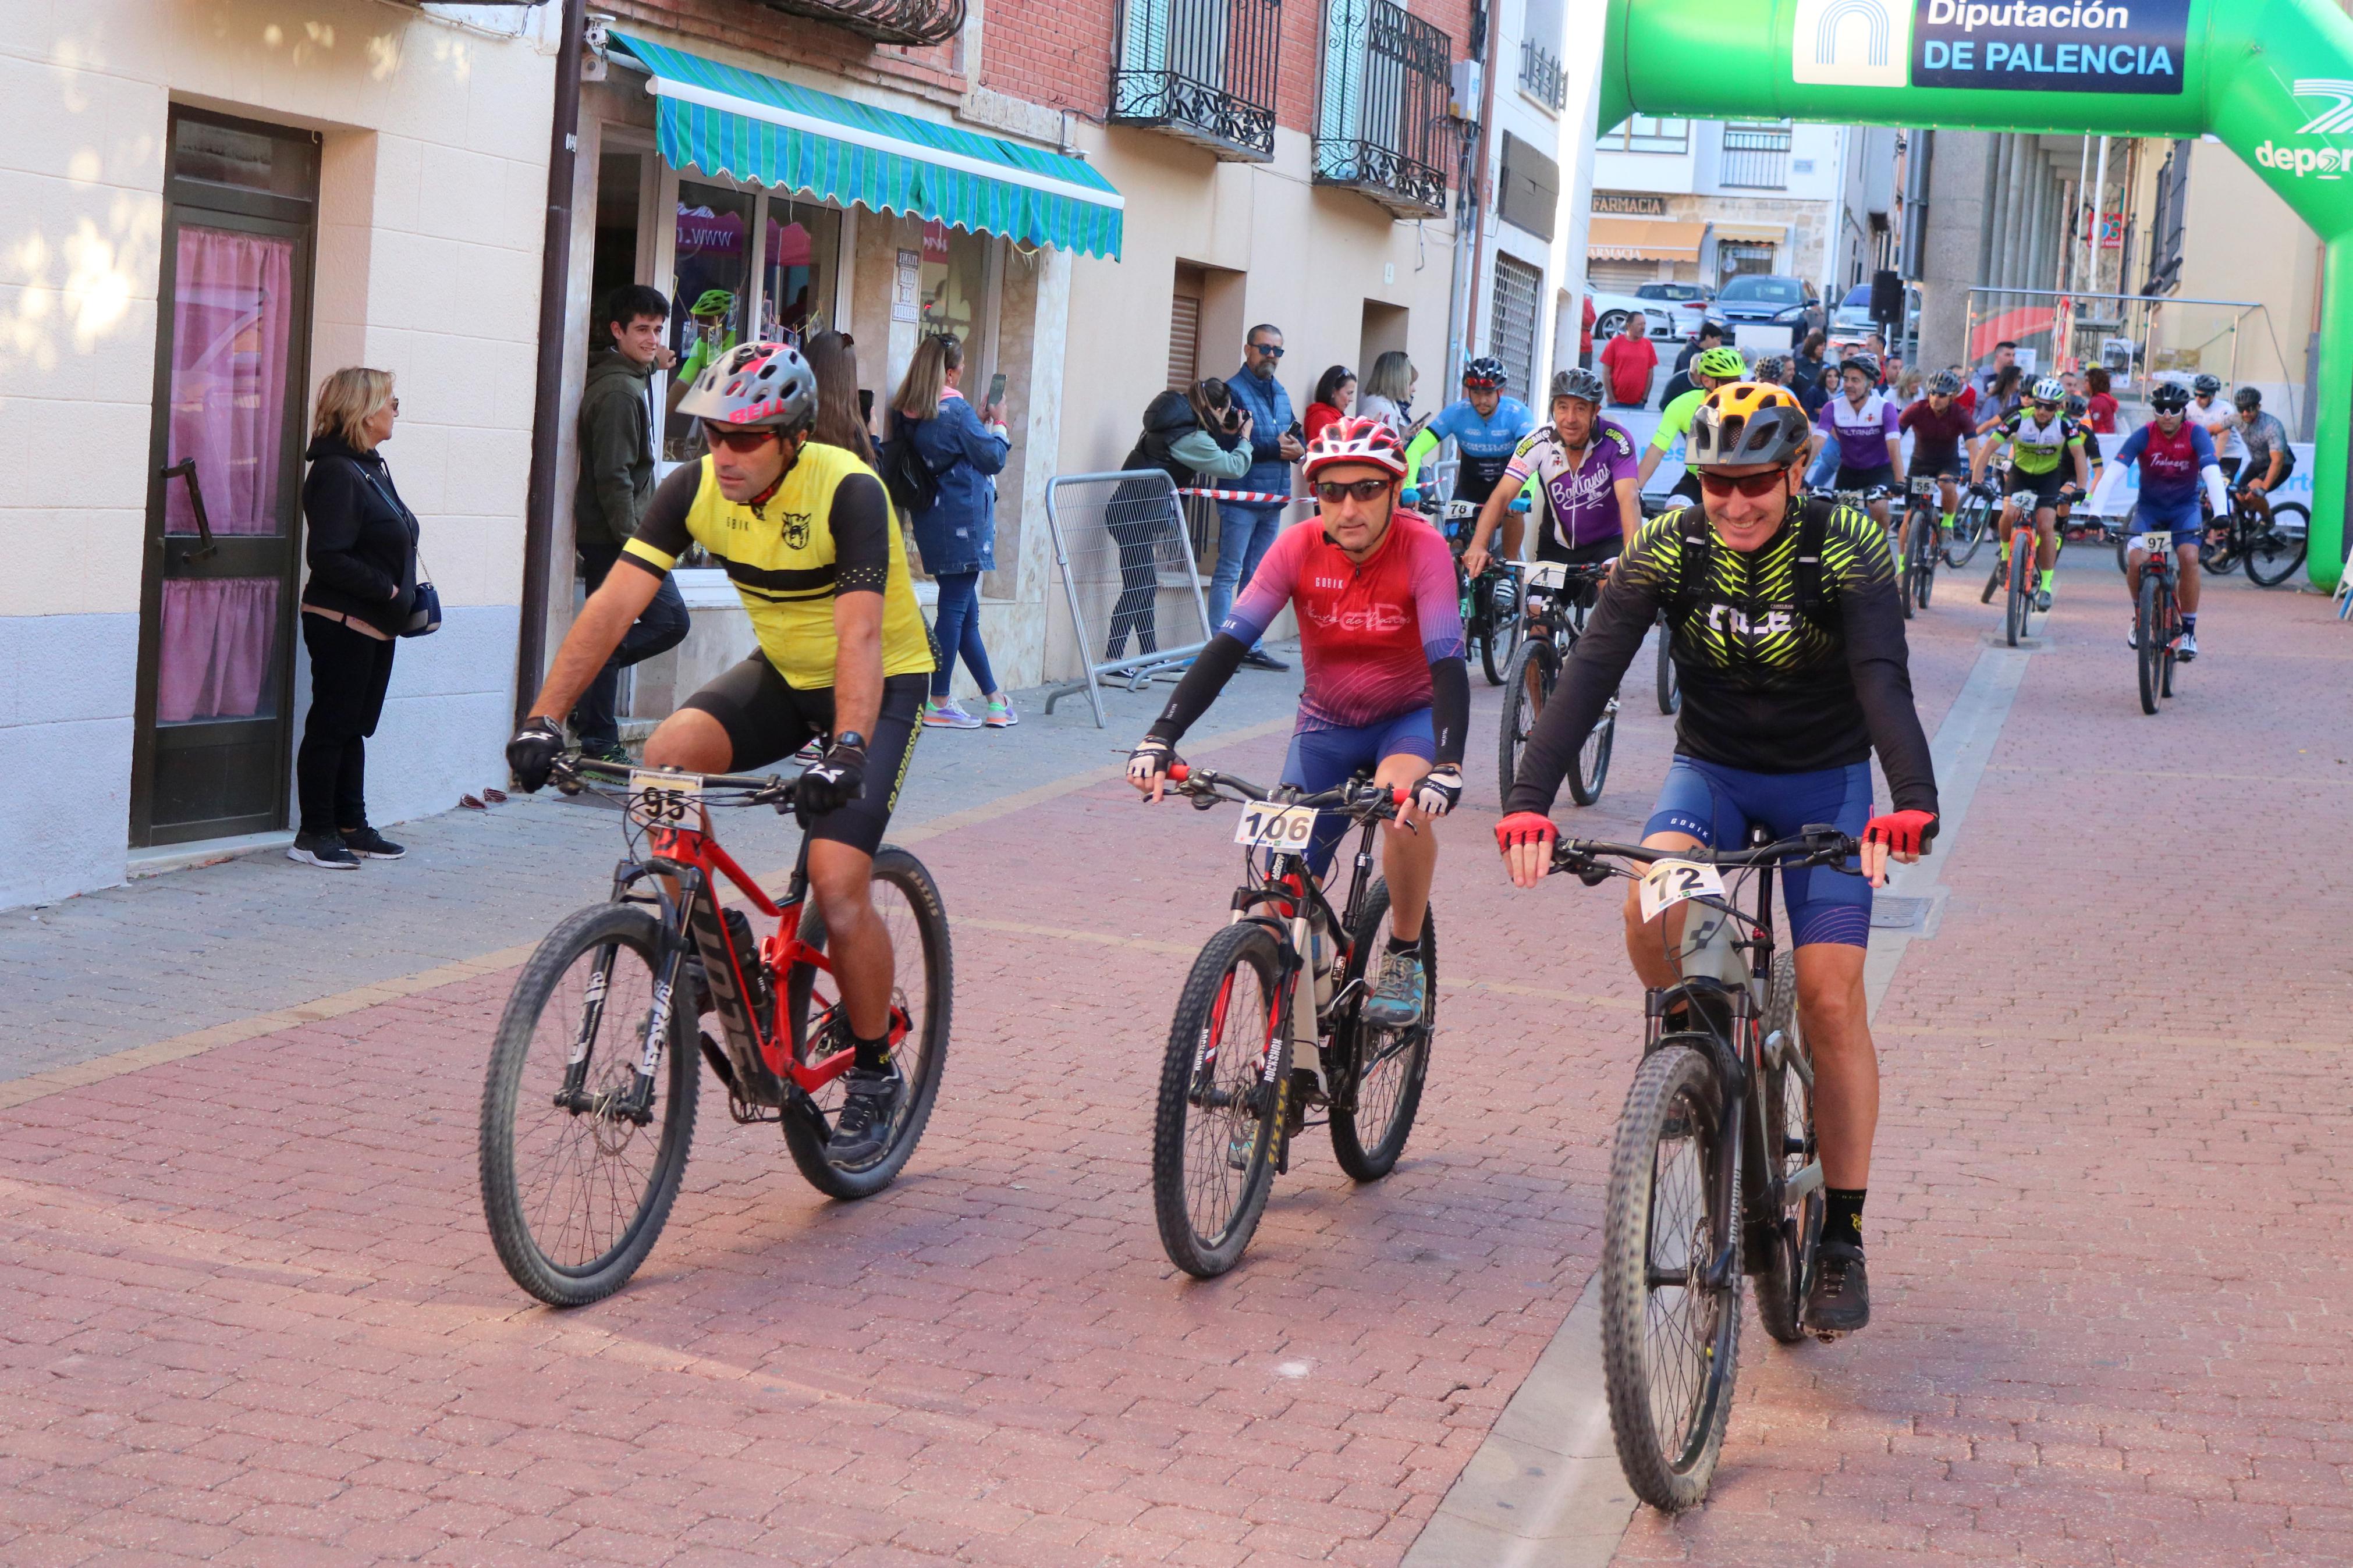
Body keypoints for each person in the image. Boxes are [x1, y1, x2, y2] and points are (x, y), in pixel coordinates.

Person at [1495, 381, 1940, 1338]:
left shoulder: (1847, 544)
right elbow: (1591, 669)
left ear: (1793, 473)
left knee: (1827, 997)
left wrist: (1912, 805)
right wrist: (1527, 804)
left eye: (1754, 485)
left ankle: (1841, 1239)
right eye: (1714, 485)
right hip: (1711, 778)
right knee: (1646, 910)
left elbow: (1881, 681)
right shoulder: (1669, 545)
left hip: (1824, 786)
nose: (1734, 505)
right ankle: (1698, 1054)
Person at [504, 343, 935, 1165]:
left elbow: (860, 633)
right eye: (712, 436)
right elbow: (612, 607)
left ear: (793, 437)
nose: (723, 455)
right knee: (664, 757)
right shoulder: (693, 489)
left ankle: (877, 1071)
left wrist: (845, 748)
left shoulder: (846, 488)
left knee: (840, 882)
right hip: (782, 673)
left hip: (877, 683)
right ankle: (712, 946)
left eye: (745, 438)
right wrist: (543, 718)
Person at [1126, 415, 1468, 1036]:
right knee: (1279, 894)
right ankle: (1282, 1052)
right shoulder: (1296, 546)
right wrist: (1160, 735)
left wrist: (1446, 766)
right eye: (1331, 491)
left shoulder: (1424, 548)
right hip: (1325, 725)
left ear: (1395, 490)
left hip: (1407, 719)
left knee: (1402, 811)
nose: (1348, 505)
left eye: (1366, 489)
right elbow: (1228, 646)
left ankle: (1403, 952)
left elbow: (1446, 661)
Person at [292, 368, 419, 870]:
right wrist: (386, 588)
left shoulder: (369, 467)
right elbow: (326, 556)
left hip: (376, 621)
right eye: (390, 400)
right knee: (332, 725)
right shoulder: (336, 472)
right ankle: (313, 833)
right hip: (341, 619)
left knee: (354, 728)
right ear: (363, 411)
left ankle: (352, 826)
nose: (395, 409)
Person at [573, 285, 693, 763]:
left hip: (615, 538)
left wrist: (659, 362)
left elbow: (647, 363)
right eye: (641, 329)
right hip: (617, 540)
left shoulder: (629, 375)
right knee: (669, 621)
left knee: (610, 633)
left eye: (658, 329)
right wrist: (635, 544)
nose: (652, 339)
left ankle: (594, 719)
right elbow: (614, 477)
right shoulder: (620, 392)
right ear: (616, 331)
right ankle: (598, 736)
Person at [890, 334, 1016, 730]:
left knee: (965, 615)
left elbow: (946, 448)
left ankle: (995, 701)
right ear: (949, 371)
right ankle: (939, 699)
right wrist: (998, 422)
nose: (962, 376)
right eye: (960, 370)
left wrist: (977, 424)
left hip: (932, 519)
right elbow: (993, 458)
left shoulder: (909, 410)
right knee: (954, 610)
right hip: (963, 520)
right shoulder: (956, 411)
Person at [1104, 379, 1250, 660]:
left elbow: (1201, 449)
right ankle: (1112, 660)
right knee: (1141, 586)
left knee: (1144, 586)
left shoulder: (1173, 425)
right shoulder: (1192, 437)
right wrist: (1244, 438)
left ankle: (1150, 656)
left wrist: (1221, 431)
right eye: (1225, 412)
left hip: (1131, 512)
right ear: (1218, 409)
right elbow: (1234, 466)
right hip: (1139, 517)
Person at [1462, 367, 1641, 591]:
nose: (1570, 419)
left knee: (1614, 589)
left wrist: (1630, 557)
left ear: (1596, 411)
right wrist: (1478, 545)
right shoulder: (1538, 442)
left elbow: (1629, 499)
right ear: (1553, 409)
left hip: (1607, 544)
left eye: (1581, 409)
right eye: (1562, 408)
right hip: (1556, 547)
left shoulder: (1617, 441)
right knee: (1538, 617)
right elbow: (1501, 496)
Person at [1210, 325, 1308, 672]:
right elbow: (1223, 444)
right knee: (1228, 574)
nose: (1271, 356)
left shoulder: (1280, 392)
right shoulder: (1230, 391)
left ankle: (1250, 644)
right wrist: (1275, 449)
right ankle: (1220, 649)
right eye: (1264, 348)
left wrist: (1300, 449)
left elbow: (1297, 434)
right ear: (1247, 349)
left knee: (1258, 578)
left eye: (1277, 351)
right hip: (1240, 496)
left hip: (1273, 497)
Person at [2116, 382, 2228, 661]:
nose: (2168, 414)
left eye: (2175, 409)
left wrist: (2221, 512)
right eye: (2161, 408)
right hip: (2150, 511)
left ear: (2184, 410)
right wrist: (2093, 513)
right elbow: (2114, 472)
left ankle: (2188, 630)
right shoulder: (2144, 435)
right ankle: (2139, 616)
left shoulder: (2197, 434)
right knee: (2136, 559)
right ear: (2153, 410)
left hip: (2183, 510)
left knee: (2189, 557)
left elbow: (2212, 472)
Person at [1971, 376, 2092, 613]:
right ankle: (2006, 558)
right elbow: (1988, 449)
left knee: (2047, 526)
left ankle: (2046, 586)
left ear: (2058, 407)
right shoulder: (2018, 418)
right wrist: (1976, 480)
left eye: (2048, 407)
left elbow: (2079, 456)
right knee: (2008, 514)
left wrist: (2081, 488)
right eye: (2038, 404)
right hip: (2021, 474)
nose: (2042, 411)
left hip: (2048, 478)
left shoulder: (2065, 425)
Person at [1403, 355, 1535, 528]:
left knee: (1514, 516)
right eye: (1476, 393)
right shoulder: (1456, 413)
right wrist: (1408, 487)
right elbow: (1415, 448)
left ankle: (1511, 556)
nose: (1482, 401)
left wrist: (1526, 494)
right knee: (1452, 541)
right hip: (1470, 485)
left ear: (1500, 392)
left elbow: (1531, 455)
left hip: (1507, 482)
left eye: (1488, 394)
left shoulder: (1518, 414)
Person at [1638, 345, 1749, 508]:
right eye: (1727, 382)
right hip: (1697, 480)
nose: (1734, 387)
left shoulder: (1749, 404)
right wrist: (1635, 490)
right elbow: (1656, 452)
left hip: (1738, 481)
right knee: (1674, 514)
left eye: (1737, 380)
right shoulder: (1682, 405)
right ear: (1706, 381)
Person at [1816, 354, 1905, 529]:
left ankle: (1880, 549)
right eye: (1846, 379)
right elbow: (1816, 442)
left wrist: (1900, 482)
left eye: (1855, 380)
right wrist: (1800, 477)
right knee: (1839, 522)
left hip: (1879, 471)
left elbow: (1894, 448)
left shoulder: (1885, 408)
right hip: (1849, 471)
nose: (1848, 385)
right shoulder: (1833, 407)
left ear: (1870, 385)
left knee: (1877, 506)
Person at [1898, 370, 1975, 570]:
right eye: (1932, 393)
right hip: (1920, 463)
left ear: (1952, 396)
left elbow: (1973, 444)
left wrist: (1975, 470)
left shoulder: (1960, 414)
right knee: (1908, 517)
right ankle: (1902, 567)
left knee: (1947, 485)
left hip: (1947, 462)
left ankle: (1948, 524)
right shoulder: (1917, 409)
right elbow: (1894, 436)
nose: (1935, 399)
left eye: (1941, 395)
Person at [668, 289, 739, 415]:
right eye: (698, 319)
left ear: (726, 320)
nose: (700, 326)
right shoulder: (700, 345)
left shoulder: (741, 341)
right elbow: (681, 386)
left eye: (708, 321)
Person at [2231, 386, 2293, 519]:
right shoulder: (2237, 419)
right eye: (2241, 409)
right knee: (2239, 497)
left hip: (2281, 466)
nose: (2246, 413)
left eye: (2250, 408)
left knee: (2254, 493)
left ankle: (2267, 520)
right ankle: (2249, 527)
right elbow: (2213, 429)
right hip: (2258, 463)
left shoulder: (2272, 426)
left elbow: (2277, 461)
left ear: (2258, 407)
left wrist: (2263, 489)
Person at [1600, 313, 1658, 408]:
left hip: (1639, 404)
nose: (1643, 327)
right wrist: (1611, 398)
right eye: (1639, 324)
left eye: (1644, 324)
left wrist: (1644, 399)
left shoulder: (1648, 345)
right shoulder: (1615, 343)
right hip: (1616, 403)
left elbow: (1650, 373)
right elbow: (1606, 373)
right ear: (1629, 326)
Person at [1358, 349, 1418, 435]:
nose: (1414, 389)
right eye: (1409, 383)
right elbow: (1387, 447)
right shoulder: (1382, 408)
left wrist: (1405, 434)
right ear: (1397, 381)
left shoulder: (1386, 404)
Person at [1666, 320, 1727, 396]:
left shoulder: (1709, 353)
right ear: (1708, 337)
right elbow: (1688, 375)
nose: (1719, 344)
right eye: (1718, 340)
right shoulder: (1688, 350)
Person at [1304, 365, 1355, 445]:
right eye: (1349, 393)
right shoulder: (1322, 418)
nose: (1351, 399)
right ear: (1333, 392)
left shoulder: (1337, 416)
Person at [1792, 331, 1830, 417]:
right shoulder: (1797, 365)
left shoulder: (1825, 367)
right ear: (1812, 345)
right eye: (1821, 345)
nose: (1823, 349)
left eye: (1824, 346)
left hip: (1819, 414)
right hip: (1799, 412)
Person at [1969, 340, 2018, 406]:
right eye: (2008, 355)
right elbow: (1977, 398)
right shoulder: (1982, 373)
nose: (2012, 359)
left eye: (2013, 355)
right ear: (1997, 357)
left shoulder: (2014, 376)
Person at [2084, 365, 2120, 434]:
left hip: (2101, 438)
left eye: (2087, 381)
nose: (2084, 384)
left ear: (2094, 382)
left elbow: (2095, 425)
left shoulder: (2097, 401)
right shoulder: (2105, 398)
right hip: (2108, 437)